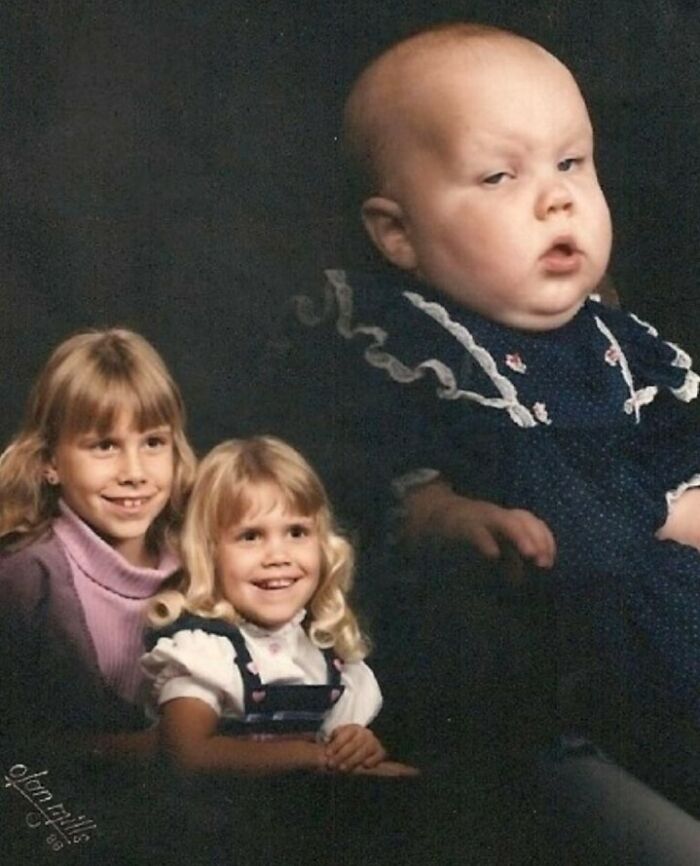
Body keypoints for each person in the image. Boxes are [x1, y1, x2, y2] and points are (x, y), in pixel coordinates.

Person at [293, 22, 700, 812]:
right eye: (498, 177)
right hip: (525, 640)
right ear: (398, 233)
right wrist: (441, 514)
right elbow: (366, 480)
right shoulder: (399, 343)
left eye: (572, 163)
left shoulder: (623, 347)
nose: (558, 197)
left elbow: (679, 455)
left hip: (657, 604)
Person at [142, 436, 414, 776]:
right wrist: (313, 756)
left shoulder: (323, 656)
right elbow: (186, 752)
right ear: (209, 554)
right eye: (251, 536)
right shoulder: (207, 651)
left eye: (297, 532)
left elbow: (336, 751)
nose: (278, 556)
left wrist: (353, 744)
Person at [0, 327, 196, 761]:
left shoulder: (204, 572)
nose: (134, 471)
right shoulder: (22, 581)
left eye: (153, 442)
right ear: (51, 462)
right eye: (105, 446)